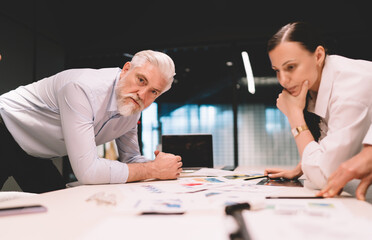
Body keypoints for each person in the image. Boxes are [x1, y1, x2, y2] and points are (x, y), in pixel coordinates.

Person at [0, 50, 182, 193]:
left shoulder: (132, 107)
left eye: (154, 92)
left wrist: (161, 165)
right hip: (4, 126)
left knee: (58, 211)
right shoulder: (82, 88)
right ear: (126, 69)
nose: (142, 95)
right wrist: (153, 170)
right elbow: (88, 171)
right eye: (141, 80)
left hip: (34, 150)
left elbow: (132, 159)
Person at [264, 22, 372, 189]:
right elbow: (328, 153)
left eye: (291, 67)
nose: (283, 81)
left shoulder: (349, 89)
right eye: (277, 70)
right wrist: (303, 167)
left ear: (318, 56)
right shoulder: (320, 82)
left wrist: (295, 117)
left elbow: (325, 176)